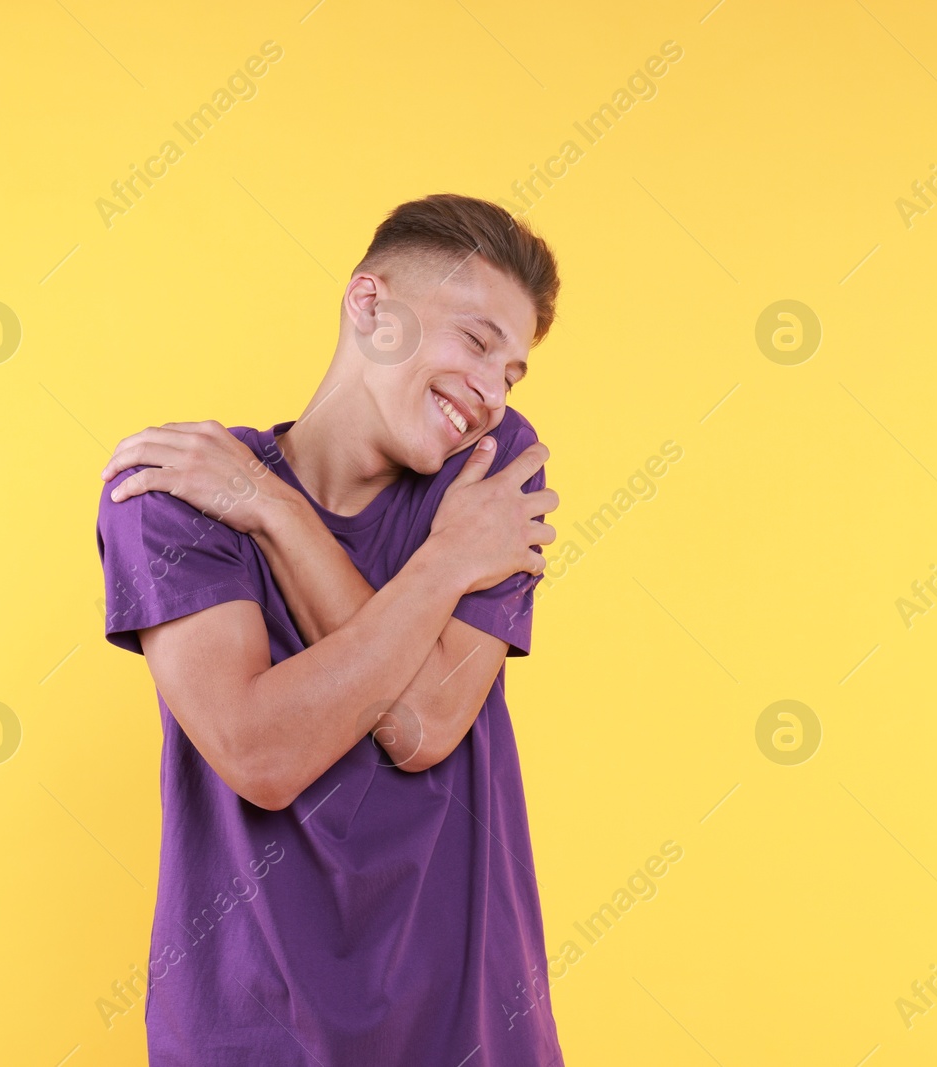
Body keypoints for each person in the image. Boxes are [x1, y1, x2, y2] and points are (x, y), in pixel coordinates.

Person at [93, 193, 566, 1065]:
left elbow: (422, 725)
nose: (495, 392)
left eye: (513, 371)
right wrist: (444, 562)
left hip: (468, 1036)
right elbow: (263, 755)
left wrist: (273, 510)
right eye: (475, 340)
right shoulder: (177, 494)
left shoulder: (495, 479)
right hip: (251, 1037)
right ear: (371, 307)